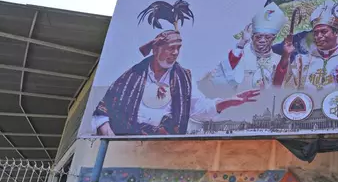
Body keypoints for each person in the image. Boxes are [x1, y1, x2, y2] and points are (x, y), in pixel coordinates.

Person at [91, 29, 260, 136]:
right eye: (171, 48)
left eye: (178, 48)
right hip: (124, 144)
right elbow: (103, 110)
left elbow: (197, 108)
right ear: (156, 49)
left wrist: (225, 103)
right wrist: (108, 134)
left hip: (163, 144)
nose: (175, 53)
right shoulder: (132, 76)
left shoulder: (183, 78)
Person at [275, 0, 338, 90]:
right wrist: (285, 56)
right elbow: (282, 86)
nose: (318, 36)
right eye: (315, 33)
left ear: (336, 32)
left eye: (323, 32)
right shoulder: (302, 61)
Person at [210, 3, 289, 89]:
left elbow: (280, 86)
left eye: (267, 37)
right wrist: (242, 42)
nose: (262, 40)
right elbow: (223, 73)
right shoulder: (241, 55)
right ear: (252, 37)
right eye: (258, 36)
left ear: (273, 38)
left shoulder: (278, 60)